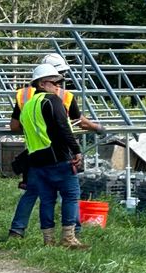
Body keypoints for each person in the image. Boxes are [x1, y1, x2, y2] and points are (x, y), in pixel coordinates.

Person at [7, 54, 105, 240]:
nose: (60, 84)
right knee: (70, 194)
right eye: (58, 79)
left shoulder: (25, 97)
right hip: (58, 153)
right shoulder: (60, 97)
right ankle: (72, 234)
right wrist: (95, 128)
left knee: (40, 195)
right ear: (46, 81)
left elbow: (14, 126)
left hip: (35, 155)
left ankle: (22, 231)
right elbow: (70, 123)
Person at [17, 63, 85, 248]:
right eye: (55, 82)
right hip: (58, 157)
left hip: (37, 161)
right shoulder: (52, 101)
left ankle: (49, 241)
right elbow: (63, 127)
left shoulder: (28, 106)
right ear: (42, 83)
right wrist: (76, 150)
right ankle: (68, 238)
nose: (58, 87)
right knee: (71, 196)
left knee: (47, 199)